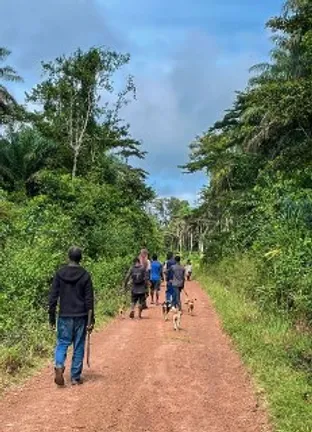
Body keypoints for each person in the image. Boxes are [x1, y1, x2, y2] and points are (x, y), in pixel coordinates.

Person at [49, 246, 94, 387]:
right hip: (81, 316)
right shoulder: (85, 275)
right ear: (80, 258)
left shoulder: (60, 273)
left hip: (64, 315)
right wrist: (91, 319)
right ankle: (75, 377)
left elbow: (53, 297)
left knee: (62, 342)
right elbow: (89, 299)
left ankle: (59, 364)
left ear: (68, 257)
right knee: (79, 345)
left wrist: (51, 315)